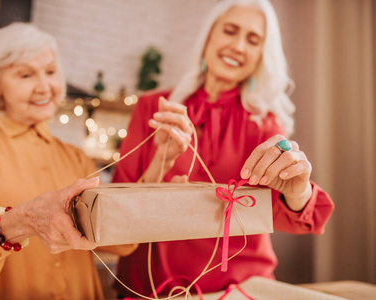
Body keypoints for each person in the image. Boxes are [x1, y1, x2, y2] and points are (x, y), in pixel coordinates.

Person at [112, 0, 334, 297]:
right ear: (208, 37)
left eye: (253, 40)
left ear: (261, 56)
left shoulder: (264, 126)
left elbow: (293, 217)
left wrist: (298, 190)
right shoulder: (154, 107)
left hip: (238, 290)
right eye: (230, 31)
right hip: (150, 288)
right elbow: (116, 210)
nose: (239, 46)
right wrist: (161, 165)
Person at [0, 22, 136, 300]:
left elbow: (122, 242)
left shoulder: (76, 156)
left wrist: (162, 159)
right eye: (25, 75)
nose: (45, 86)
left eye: (51, 72)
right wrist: (21, 221)